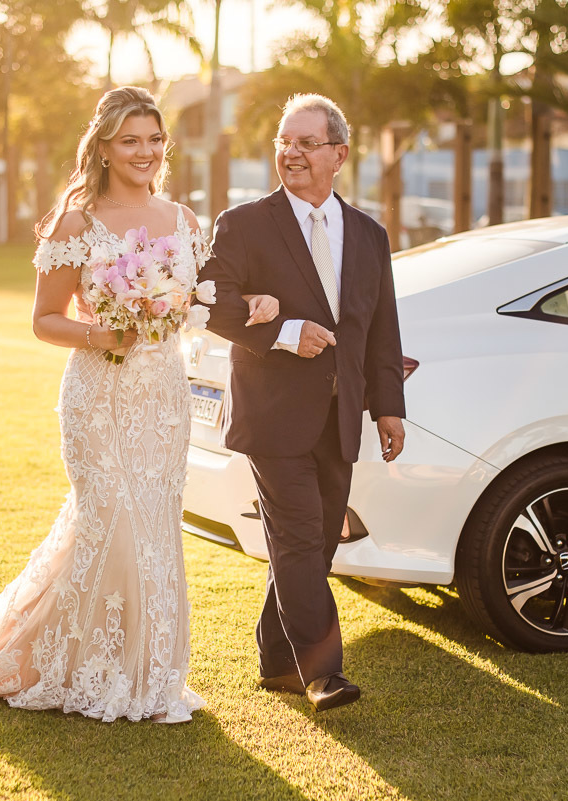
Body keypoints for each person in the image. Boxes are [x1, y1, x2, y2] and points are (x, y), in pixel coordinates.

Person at [0, 87, 274, 724]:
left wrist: (255, 305)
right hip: (97, 392)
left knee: (150, 532)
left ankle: (143, 675)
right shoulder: (78, 220)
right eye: (130, 141)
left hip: (162, 399)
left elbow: (202, 301)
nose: (145, 152)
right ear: (103, 148)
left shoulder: (182, 220)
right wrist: (103, 332)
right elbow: (43, 319)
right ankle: (76, 667)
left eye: (154, 140)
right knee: (108, 517)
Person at [200, 93, 406, 712]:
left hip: (340, 417)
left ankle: (276, 660)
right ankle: (323, 673)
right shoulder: (244, 224)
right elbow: (212, 303)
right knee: (294, 538)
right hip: (272, 414)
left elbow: (382, 328)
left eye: (306, 143)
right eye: (284, 142)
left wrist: (387, 405)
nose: (291, 153)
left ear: (339, 154)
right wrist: (285, 332)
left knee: (316, 542)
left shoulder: (369, 234)